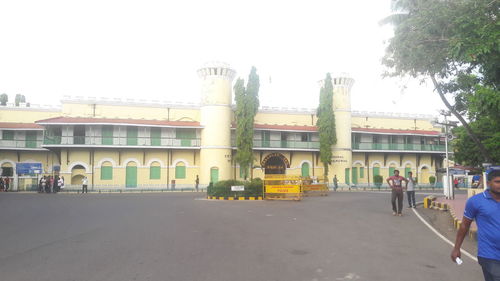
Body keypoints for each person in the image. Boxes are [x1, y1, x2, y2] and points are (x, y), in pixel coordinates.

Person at [451, 170, 500, 281]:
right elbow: (464, 226)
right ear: (488, 183)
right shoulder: (475, 201)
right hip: (489, 254)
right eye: (497, 182)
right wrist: (456, 248)